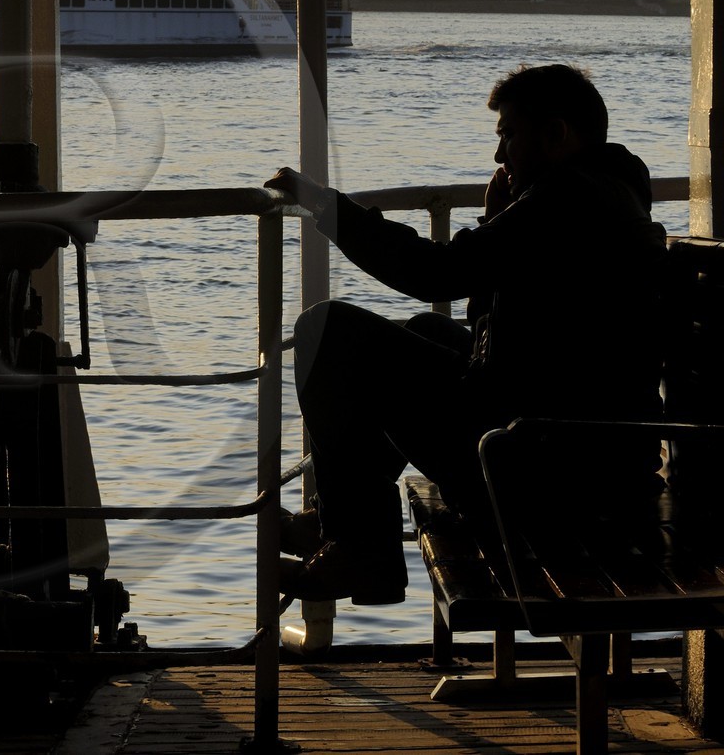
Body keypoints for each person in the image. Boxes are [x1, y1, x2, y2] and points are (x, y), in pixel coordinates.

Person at [263, 63, 667, 605]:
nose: (500, 156)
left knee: (326, 331)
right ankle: (348, 523)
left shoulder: (566, 201)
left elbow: (433, 272)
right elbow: (488, 324)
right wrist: (498, 216)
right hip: (580, 448)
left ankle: (362, 550)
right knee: (431, 328)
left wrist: (325, 206)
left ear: (555, 135)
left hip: (543, 466)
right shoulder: (610, 192)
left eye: (509, 136)